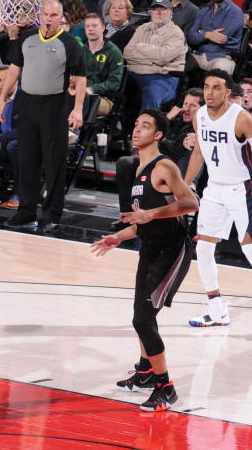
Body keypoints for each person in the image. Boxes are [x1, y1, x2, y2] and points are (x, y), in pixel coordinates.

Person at [91, 110, 198, 411]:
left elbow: (191, 202)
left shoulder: (163, 166)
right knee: (142, 316)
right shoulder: (139, 170)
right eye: (136, 125)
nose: (137, 130)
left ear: (159, 135)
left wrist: (151, 213)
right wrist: (118, 237)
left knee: (143, 318)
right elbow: (142, 221)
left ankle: (166, 387)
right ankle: (146, 371)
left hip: (172, 249)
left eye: (146, 126)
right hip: (150, 247)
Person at [0, 0, 86, 231]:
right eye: (45, 14)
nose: (49, 18)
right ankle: (26, 211)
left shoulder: (70, 43)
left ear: (61, 17)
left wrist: (77, 109)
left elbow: (81, 77)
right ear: (40, 16)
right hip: (26, 104)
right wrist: (1, 98)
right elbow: (14, 69)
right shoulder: (27, 38)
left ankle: (52, 214)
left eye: (53, 15)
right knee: (27, 159)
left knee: (53, 161)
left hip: (54, 106)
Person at [183, 69, 252, 327]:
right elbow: (199, 153)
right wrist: (186, 183)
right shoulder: (200, 116)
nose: (209, 92)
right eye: (206, 87)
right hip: (213, 189)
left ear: (228, 93)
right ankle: (216, 309)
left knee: (249, 248)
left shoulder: (242, 119)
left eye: (216, 87)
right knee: (202, 248)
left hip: (242, 189)